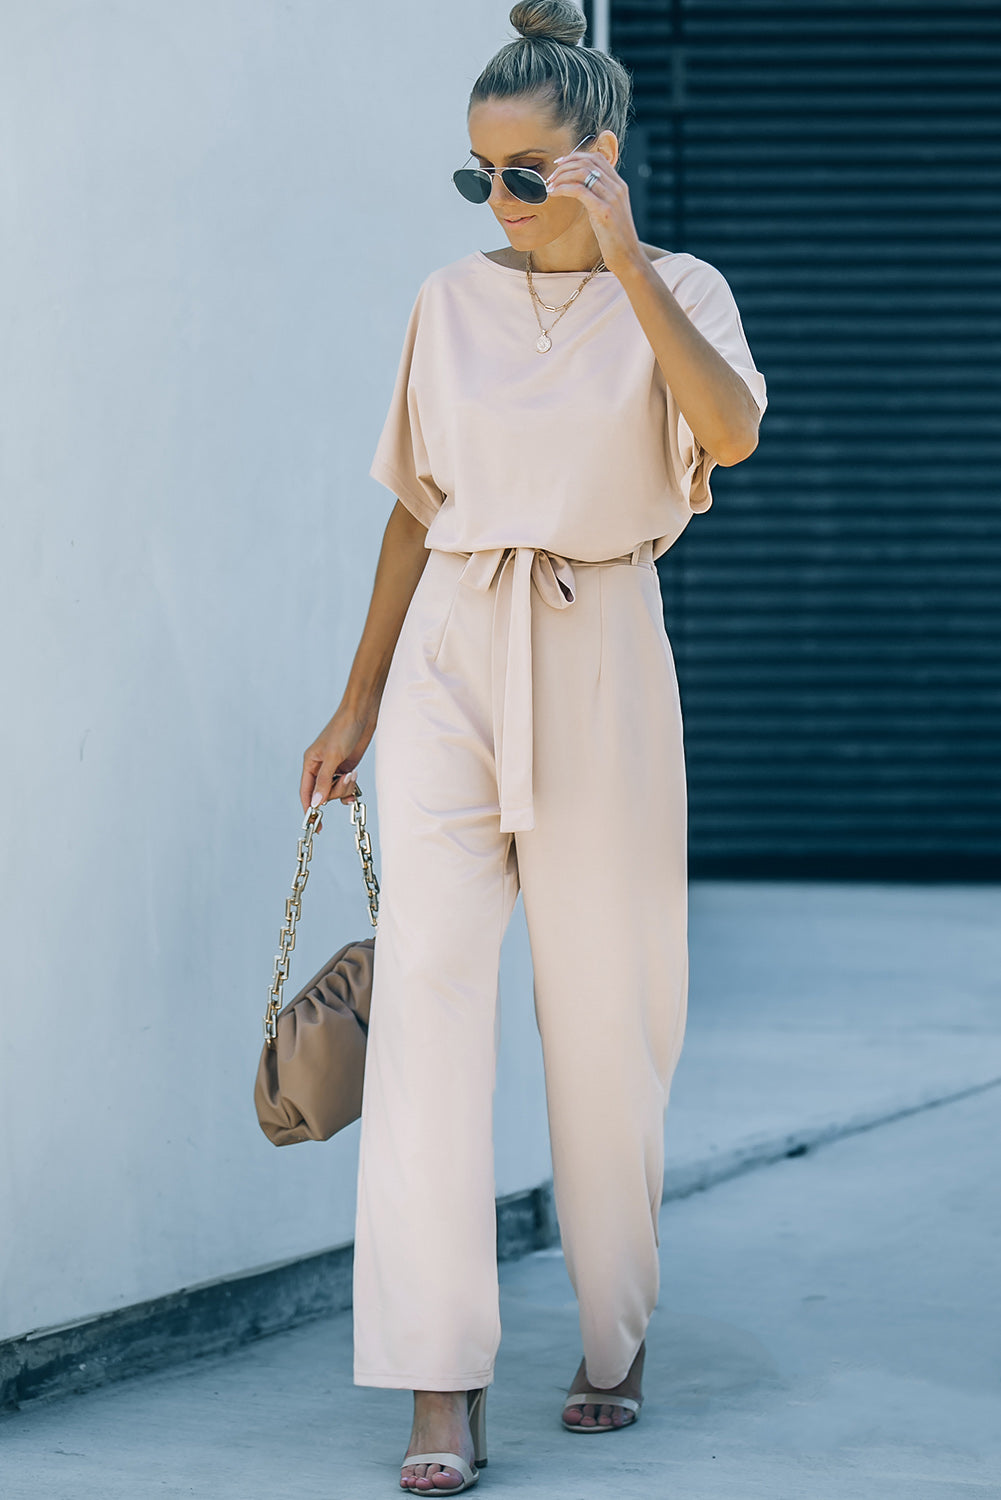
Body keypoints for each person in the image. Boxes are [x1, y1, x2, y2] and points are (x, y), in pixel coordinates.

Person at [299, 2, 767, 1492]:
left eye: (523, 173)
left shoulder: (681, 289)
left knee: (608, 1017)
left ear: (596, 158)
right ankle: (437, 1380)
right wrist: (360, 700)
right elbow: (414, 507)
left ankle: (612, 1333)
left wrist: (624, 260)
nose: (496, 201)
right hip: (452, 650)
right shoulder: (446, 303)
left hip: (600, 640)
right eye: (476, 174)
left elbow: (728, 433)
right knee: (428, 1011)